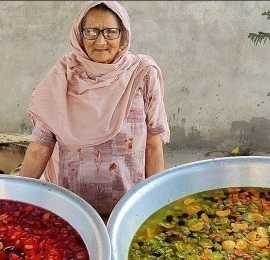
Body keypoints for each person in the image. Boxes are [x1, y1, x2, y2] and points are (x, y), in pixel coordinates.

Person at [19, 1, 170, 215]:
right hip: (73, 212)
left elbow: (153, 144)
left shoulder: (142, 74)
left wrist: (156, 206)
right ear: (79, 34)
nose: (100, 41)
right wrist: (13, 201)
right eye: (91, 31)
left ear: (123, 35)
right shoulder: (63, 75)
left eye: (110, 32)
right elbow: (40, 146)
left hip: (127, 211)